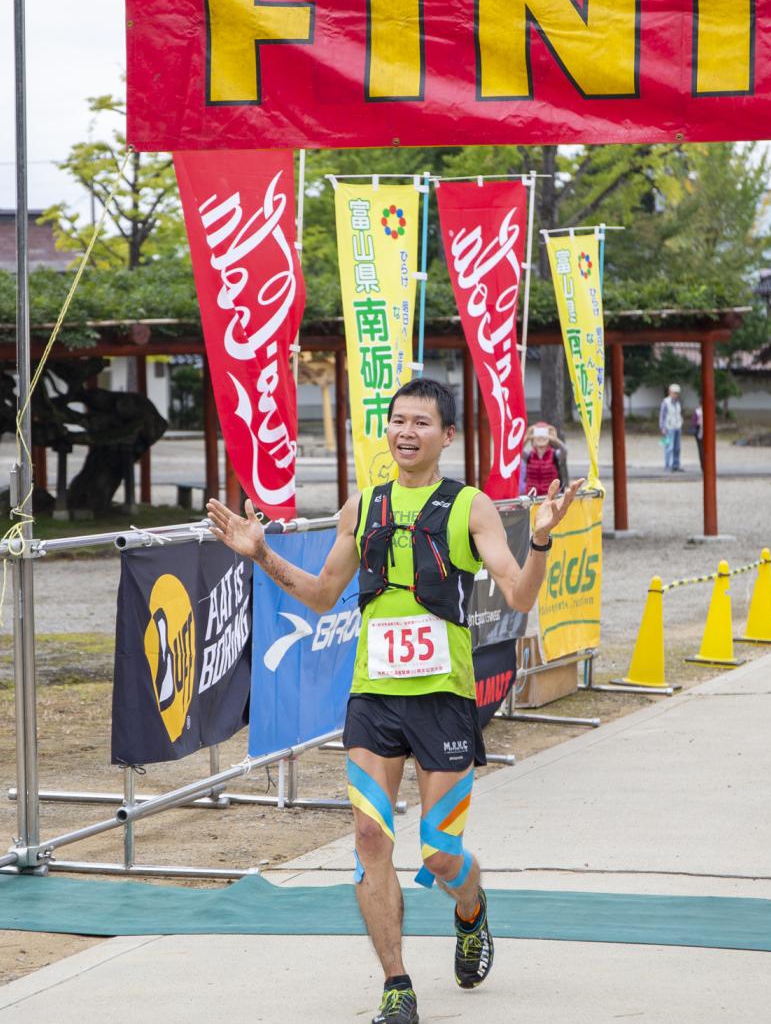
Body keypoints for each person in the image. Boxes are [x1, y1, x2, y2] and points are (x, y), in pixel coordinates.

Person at [208, 377, 583, 1024]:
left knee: (439, 853)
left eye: (421, 422)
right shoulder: (365, 506)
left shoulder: (471, 507)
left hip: (443, 698)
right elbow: (324, 592)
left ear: (447, 434)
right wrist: (262, 552)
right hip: (374, 698)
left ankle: (470, 906)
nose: (406, 432)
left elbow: (519, 597)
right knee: (367, 837)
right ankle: (397, 984)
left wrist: (542, 539)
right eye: (398, 420)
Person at [517, 421, 569, 497]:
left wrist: (555, 439)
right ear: (533, 439)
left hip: (551, 497)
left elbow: (564, 451)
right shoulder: (528, 455)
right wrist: (527, 437)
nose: (541, 438)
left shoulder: (554, 455)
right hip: (532, 497)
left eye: (544, 434)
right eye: (538, 434)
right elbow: (517, 451)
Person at [659, 384, 684, 471]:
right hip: (668, 428)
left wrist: (680, 424)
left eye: (677, 393)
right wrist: (662, 428)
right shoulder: (665, 402)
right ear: (670, 392)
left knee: (677, 448)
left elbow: (679, 414)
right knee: (669, 447)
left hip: (677, 427)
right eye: (674, 393)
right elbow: (662, 416)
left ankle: (676, 465)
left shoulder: (678, 403)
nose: (676, 395)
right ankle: (668, 465)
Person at [691, 403, 705, 468]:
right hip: (699, 432)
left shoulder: (709, 411)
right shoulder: (697, 412)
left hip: (707, 433)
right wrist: (698, 423)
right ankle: (703, 465)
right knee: (701, 450)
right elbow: (693, 423)